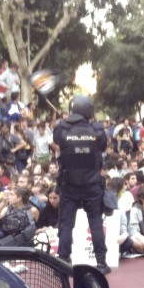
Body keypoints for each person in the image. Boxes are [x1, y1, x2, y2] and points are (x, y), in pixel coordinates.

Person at [53, 94, 110, 274]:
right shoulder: (98, 131)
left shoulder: (61, 129)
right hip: (92, 185)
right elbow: (101, 147)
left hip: (69, 184)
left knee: (66, 224)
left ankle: (63, 261)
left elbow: (57, 143)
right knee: (95, 224)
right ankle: (101, 263)